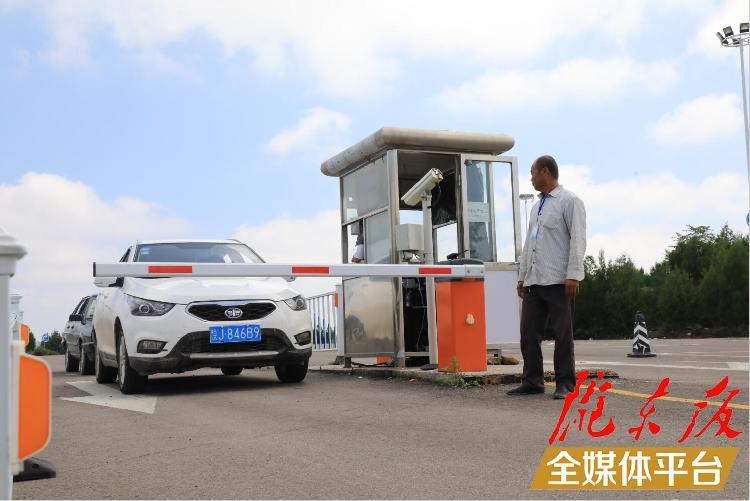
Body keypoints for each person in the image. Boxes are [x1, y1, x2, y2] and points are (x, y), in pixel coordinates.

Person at [507, 155, 586, 400]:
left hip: (558, 281)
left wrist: (573, 275)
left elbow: (578, 239)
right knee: (528, 333)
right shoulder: (536, 207)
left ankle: (566, 384)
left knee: (563, 335)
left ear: (545, 172)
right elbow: (529, 244)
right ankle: (532, 381)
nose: (530, 178)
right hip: (534, 281)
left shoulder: (569, 201)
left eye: (532, 172)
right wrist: (522, 276)